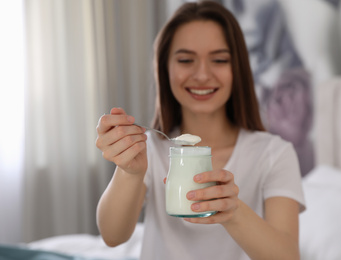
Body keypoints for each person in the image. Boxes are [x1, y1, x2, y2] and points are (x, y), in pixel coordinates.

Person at [95, 1, 305, 259]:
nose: (202, 74)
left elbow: (288, 256)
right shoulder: (148, 149)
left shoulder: (273, 154)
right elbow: (112, 236)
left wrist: (233, 211)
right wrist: (129, 173)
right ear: (165, 68)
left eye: (218, 59)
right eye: (185, 60)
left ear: (236, 68)